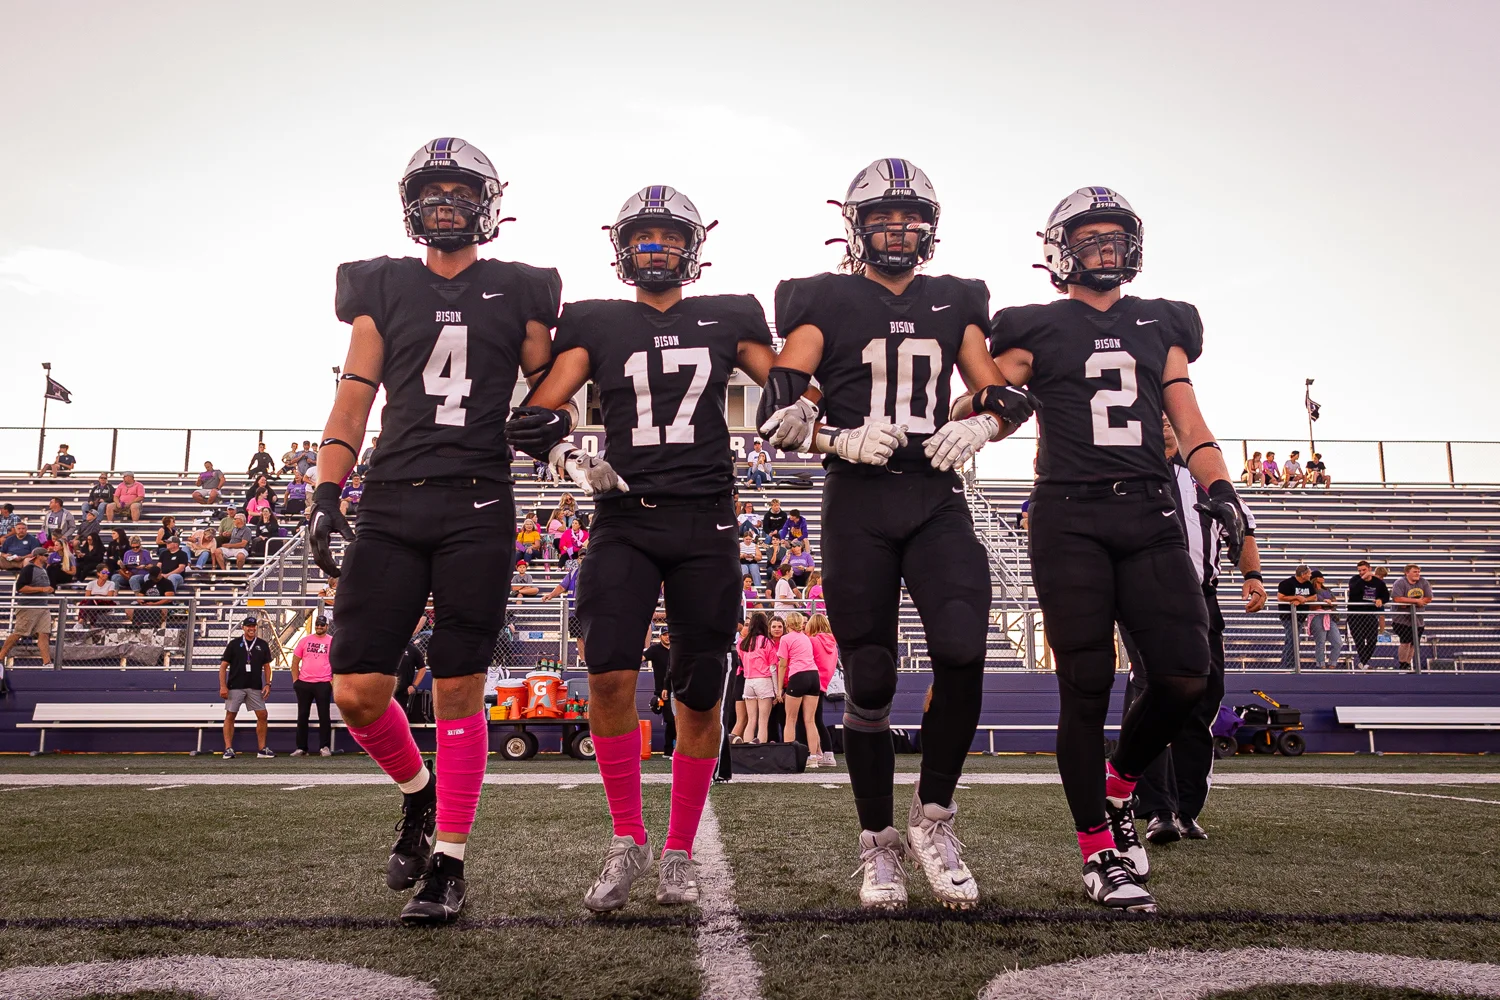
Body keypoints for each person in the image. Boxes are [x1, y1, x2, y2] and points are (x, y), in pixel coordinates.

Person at [310, 137, 566, 926]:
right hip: (391, 496)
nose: (445, 201)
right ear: (411, 201)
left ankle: (450, 861)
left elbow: (556, 382)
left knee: (457, 685)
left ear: (489, 203)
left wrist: (554, 425)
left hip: (479, 501)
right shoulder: (382, 285)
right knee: (355, 690)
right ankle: (418, 797)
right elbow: (355, 394)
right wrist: (326, 488)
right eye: (434, 189)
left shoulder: (521, 289)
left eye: (460, 190)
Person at [503, 183, 776, 913]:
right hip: (623, 515)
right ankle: (628, 836)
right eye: (644, 236)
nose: (656, 248)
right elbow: (543, 403)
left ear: (694, 245)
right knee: (609, 675)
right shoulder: (595, 319)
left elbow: (784, 386)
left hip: (706, 520)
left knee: (696, 687)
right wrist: (548, 436)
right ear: (622, 246)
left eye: (669, 236)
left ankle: (681, 848)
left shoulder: (730, 314)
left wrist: (804, 403)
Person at [979, 185, 1250, 913]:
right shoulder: (1031, 324)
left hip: (1151, 509)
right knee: (1086, 685)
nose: (1104, 248)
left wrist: (1220, 486)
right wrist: (979, 410)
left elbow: (1186, 413)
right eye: (1090, 237)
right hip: (1069, 516)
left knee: (1187, 676)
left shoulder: (1162, 321)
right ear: (1059, 249)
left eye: (1114, 236)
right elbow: (995, 395)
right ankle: (1099, 853)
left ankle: (1121, 785)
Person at [763, 158, 1017, 911]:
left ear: (929, 229)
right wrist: (830, 434)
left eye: (910, 219)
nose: (898, 231)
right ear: (857, 226)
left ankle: (934, 818)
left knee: (965, 647)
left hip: (932, 491)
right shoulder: (822, 297)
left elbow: (999, 387)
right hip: (858, 496)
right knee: (869, 678)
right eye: (883, 219)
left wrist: (983, 419)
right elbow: (784, 397)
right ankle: (878, 843)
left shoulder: (955, 299)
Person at [1122, 416, 1265, 846]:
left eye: (1171, 418)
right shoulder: (1132, 468)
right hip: (1145, 595)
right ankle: (1157, 809)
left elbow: (1243, 526)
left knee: (1202, 699)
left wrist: (1252, 575)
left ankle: (1186, 809)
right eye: (1157, 417)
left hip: (1202, 597)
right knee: (1152, 691)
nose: (1165, 424)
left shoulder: (1207, 477)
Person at [774, 611, 823, 766]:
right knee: (810, 720)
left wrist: (779, 688)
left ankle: (790, 757)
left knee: (791, 719)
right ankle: (814, 758)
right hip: (813, 676)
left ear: (787, 624)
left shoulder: (786, 639)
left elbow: (782, 664)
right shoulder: (805, 638)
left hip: (798, 676)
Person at [220, 617, 273, 759]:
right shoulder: (234, 644)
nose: (251, 628)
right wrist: (223, 686)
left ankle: (262, 749)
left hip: (255, 686)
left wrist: (268, 683)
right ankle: (228, 748)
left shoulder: (262, 644)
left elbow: (267, 666)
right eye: (249, 626)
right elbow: (223, 666)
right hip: (235, 686)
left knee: (263, 715)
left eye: (254, 626)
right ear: (243, 627)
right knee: (230, 715)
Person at [0, 550, 55, 666]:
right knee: (19, 633)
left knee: (44, 633)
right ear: (38, 556)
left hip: (43, 606)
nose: (47, 557)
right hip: (29, 606)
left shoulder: (43, 570)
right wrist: (42, 589)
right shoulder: (29, 569)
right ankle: (1, 656)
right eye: (45, 555)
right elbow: (20, 588)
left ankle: (47, 662)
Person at [291, 618, 335, 757]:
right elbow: (295, 661)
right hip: (304, 683)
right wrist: (295, 681)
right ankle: (301, 747)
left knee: (324, 716)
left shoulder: (332, 641)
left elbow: (338, 662)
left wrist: (332, 681)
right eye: (317, 624)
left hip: (323, 683)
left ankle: (324, 746)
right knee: (303, 715)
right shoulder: (305, 640)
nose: (319, 626)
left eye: (322, 624)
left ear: (327, 626)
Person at [736, 612, 775, 745]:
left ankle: (747, 749)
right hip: (763, 681)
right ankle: (761, 748)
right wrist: (776, 690)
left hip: (748, 681)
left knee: (751, 719)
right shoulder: (766, 642)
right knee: (763, 721)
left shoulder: (744, 643)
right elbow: (773, 667)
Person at [805, 612, 838, 767]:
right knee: (817, 719)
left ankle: (819, 752)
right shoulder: (832, 642)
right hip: (824, 682)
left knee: (812, 720)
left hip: (812, 681)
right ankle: (826, 753)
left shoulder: (812, 641)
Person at [1390, 563, 1435, 669]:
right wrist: (1416, 601)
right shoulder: (1400, 583)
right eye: (1415, 572)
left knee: (1414, 643)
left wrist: (1411, 603)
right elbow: (1397, 599)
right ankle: (1402, 664)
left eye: (1418, 571)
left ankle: (1408, 663)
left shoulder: (1423, 582)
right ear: (1407, 573)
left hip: (1418, 619)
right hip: (1401, 619)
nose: (1417, 574)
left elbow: (1428, 598)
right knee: (1405, 641)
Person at [1346, 560, 1389, 669]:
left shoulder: (1378, 582)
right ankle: (1364, 664)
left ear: (1369, 569)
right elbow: (1354, 590)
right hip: (1354, 615)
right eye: (1359, 570)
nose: (1361, 572)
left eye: (1364, 570)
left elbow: (1386, 596)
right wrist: (1362, 578)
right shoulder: (1355, 580)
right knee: (1359, 640)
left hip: (1370, 614)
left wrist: (1380, 599)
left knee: (1372, 640)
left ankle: (1363, 662)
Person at [643, 631, 676, 758]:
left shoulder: (677, 649)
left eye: (669, 634)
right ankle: (668, 751)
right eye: (665, 634)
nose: (668, 636)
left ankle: (672, 750)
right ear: (660, 636)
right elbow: (642, 658)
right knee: (671, 720)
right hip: (663, 691)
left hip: (678, 689)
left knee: (677, 720)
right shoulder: (655, 650)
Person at [1276, 566, 1317, 669]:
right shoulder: (1287, 583)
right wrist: (1296, 597)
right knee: (1294, 639)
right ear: (1303, 574)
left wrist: (1303, 600)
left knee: (1291, 640)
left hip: (1300, 617)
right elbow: (1281, 597)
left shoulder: (1308, 584)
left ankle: (1285, 663)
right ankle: (1289, 665)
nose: (1310, 575)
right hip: (1288, 616)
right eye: (1309, 573)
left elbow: (1314, 597)